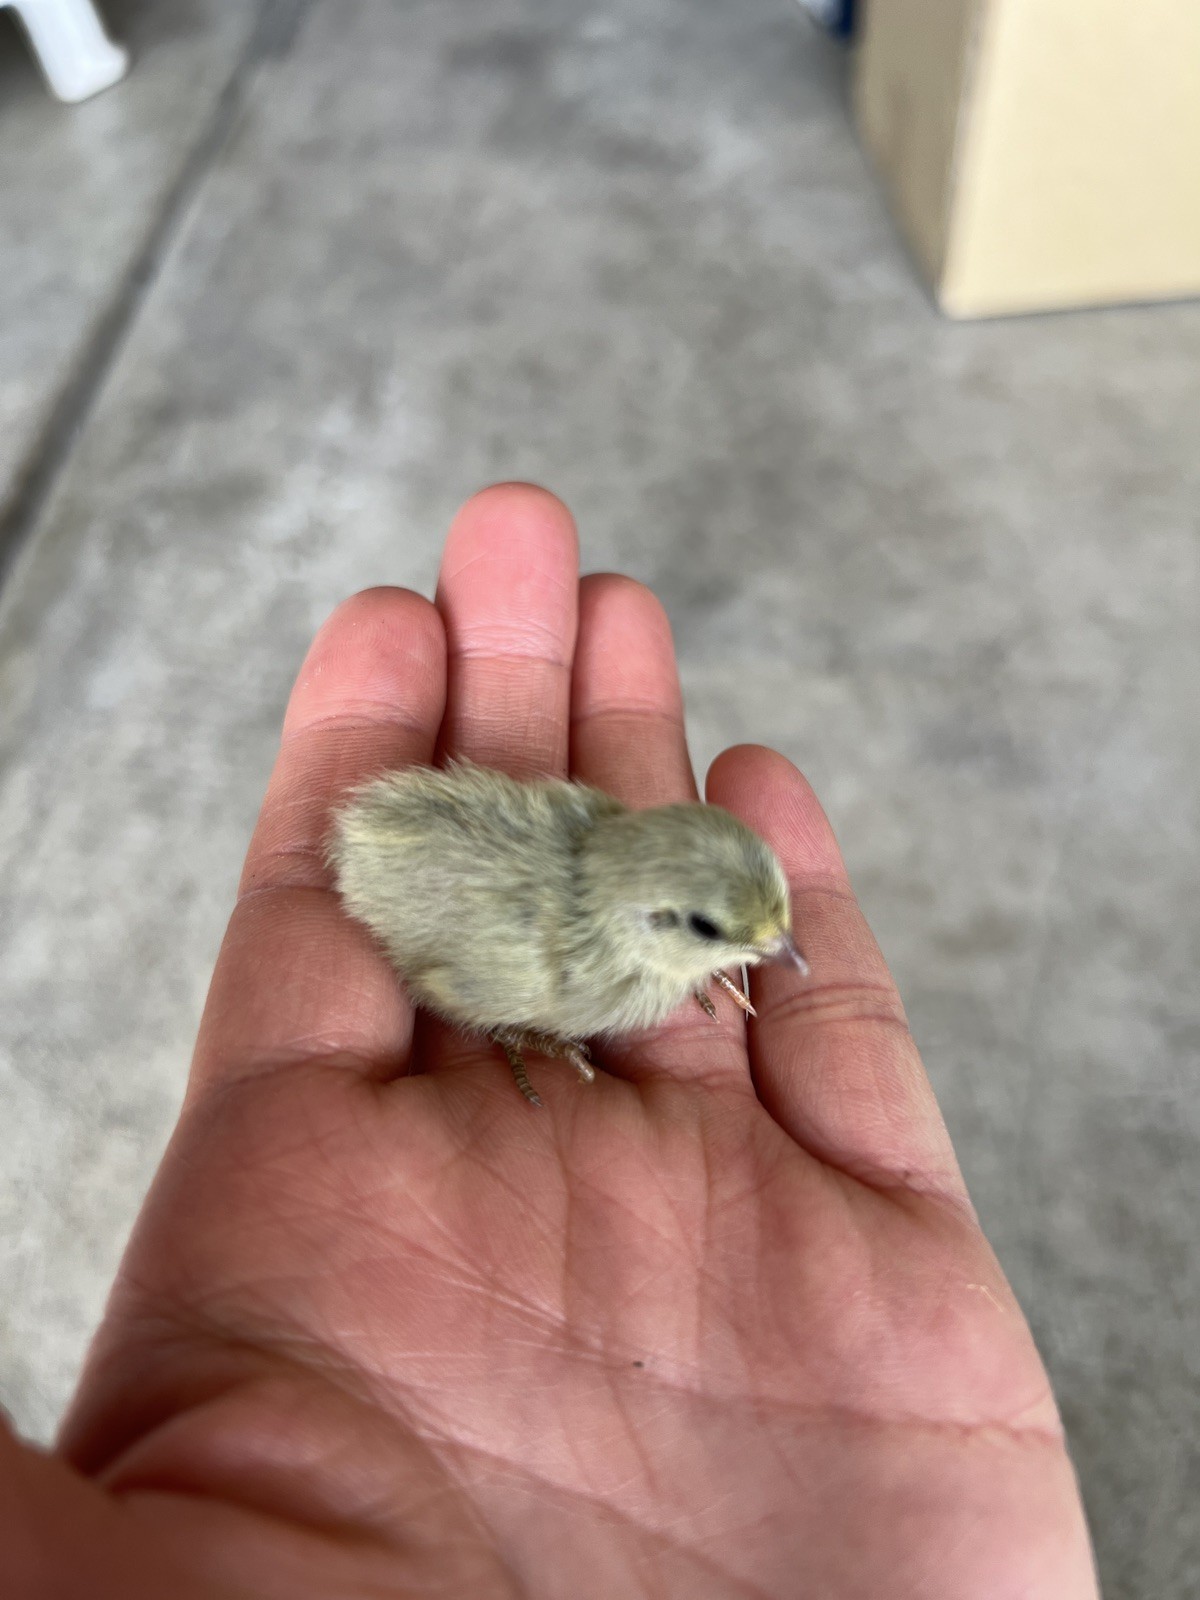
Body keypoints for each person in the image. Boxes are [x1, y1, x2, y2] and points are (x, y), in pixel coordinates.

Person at [3, 485, 1098, 1597]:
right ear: (657, 922)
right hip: (459, 906)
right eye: (727, 937)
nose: (767, 954)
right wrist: (525, 1025)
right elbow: (444, 969)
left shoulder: (612, 848)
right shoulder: (583, 969)